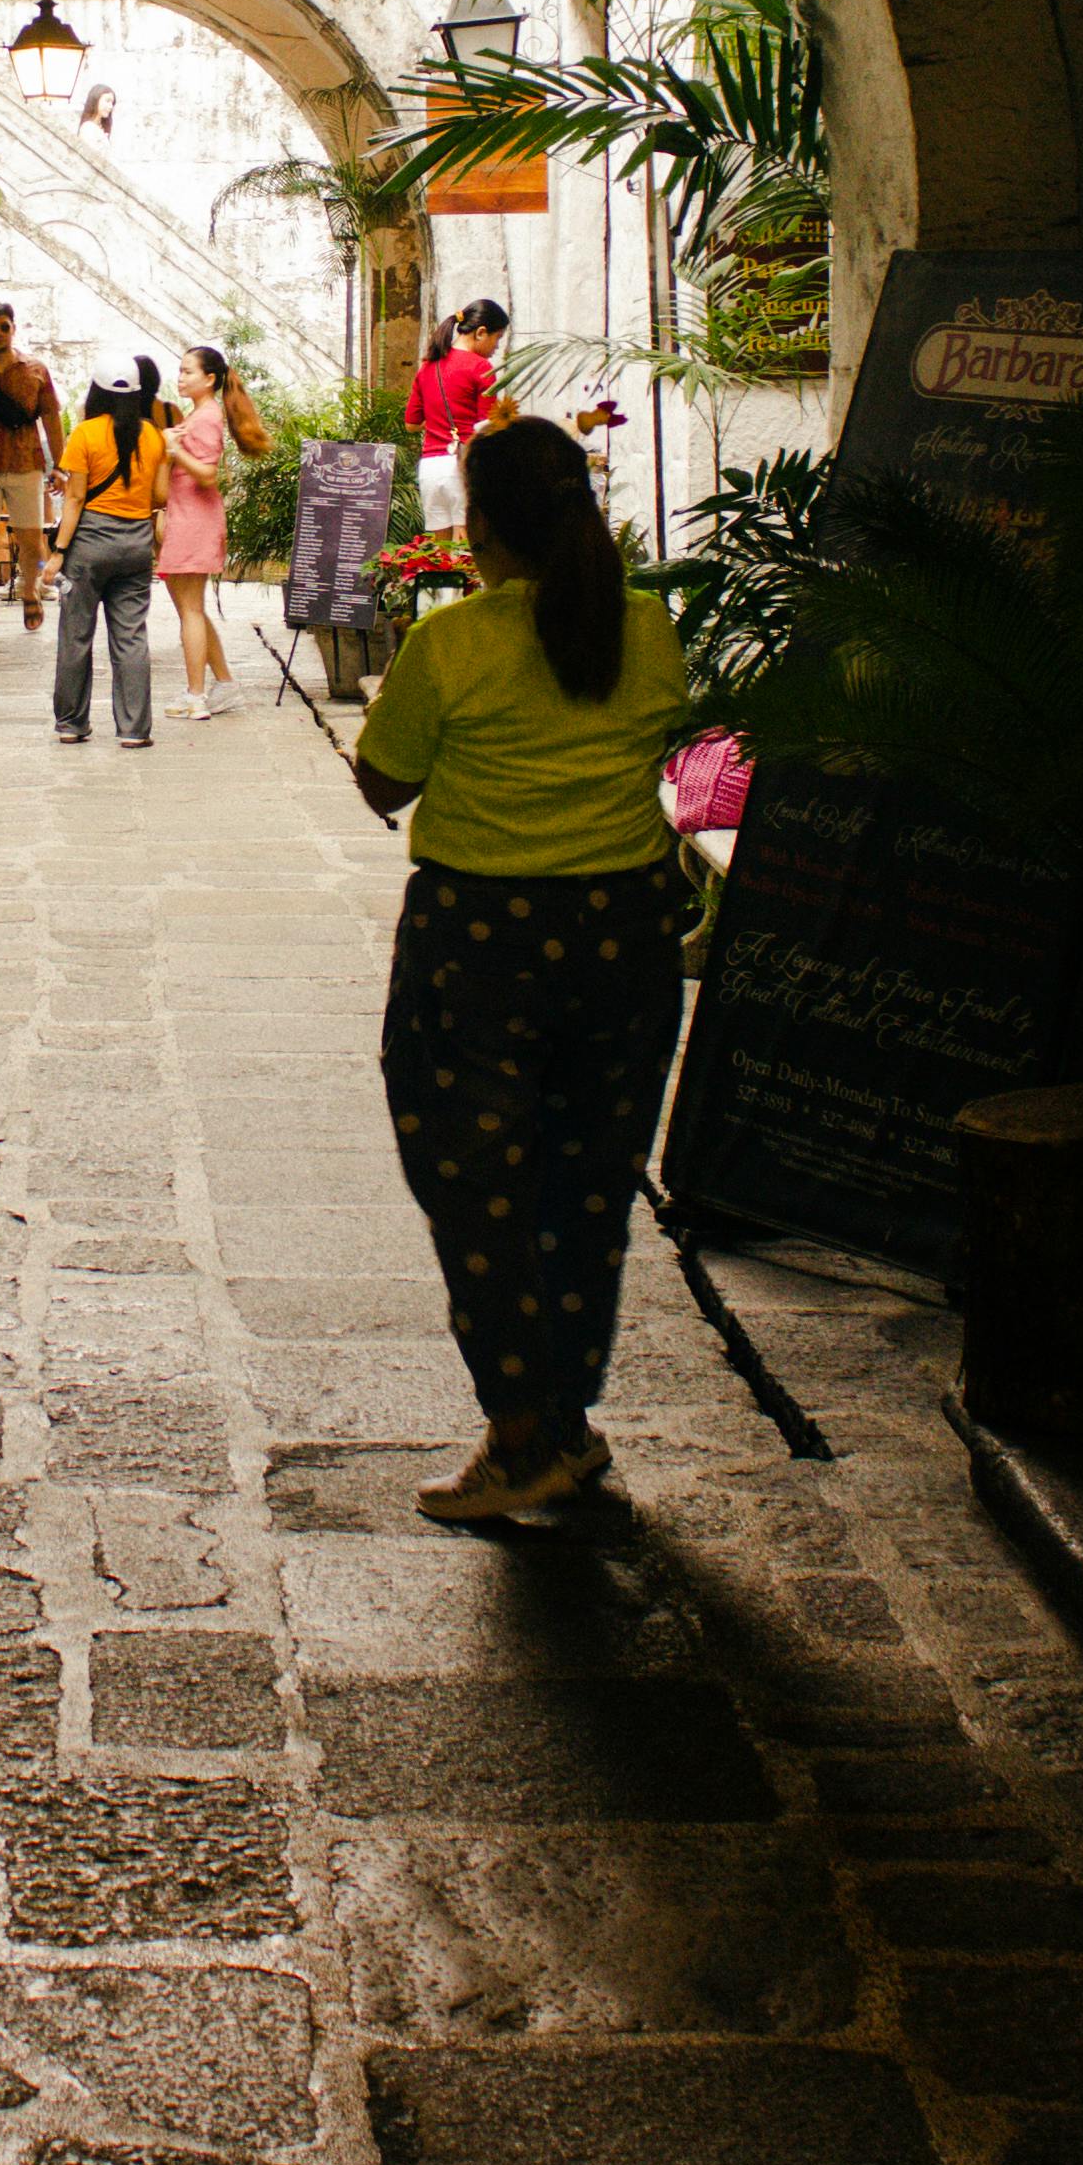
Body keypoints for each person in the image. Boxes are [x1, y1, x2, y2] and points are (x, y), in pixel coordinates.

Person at [350, 412, 691, 1528]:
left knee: (474, 1185)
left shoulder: (452, 643)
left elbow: (385, 782)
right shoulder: (647, 629)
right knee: (590, 1183)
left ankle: (521, 1433)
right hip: (625, 936)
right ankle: (566, 1418)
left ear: (483, 524)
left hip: (482, 941)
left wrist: (392, 717)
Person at [45, 351, 169, 747]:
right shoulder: (152, 435)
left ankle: (71, 724)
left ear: (95, 392)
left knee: (76, 634)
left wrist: (59, 551)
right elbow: (160, 496)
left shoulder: (85, 434)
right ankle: (134, 730)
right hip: (136, 544)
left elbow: (75, 498)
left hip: (89, 544)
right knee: (131, 637)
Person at [156, 342, 259, 719]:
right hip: (188, 517)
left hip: (194, 520)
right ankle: (224, 684)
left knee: (190, 612)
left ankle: (196, 694)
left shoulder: (206, 418)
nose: (180, 378)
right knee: (192, 610)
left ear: (210, 378)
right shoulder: (200, 414)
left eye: (188, 372)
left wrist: (173, 451)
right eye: (180, 371)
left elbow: (207, 473)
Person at [0, 298, 62, 639]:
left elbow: (51, 418)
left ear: (13, 329)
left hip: (25, 462)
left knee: (32, 540)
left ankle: (30, 589)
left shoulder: (35, 370)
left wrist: (60, 465)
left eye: (5, 327)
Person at [403, 299, 511, 537]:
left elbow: (411, 424)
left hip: (430, 469)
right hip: (463, 467)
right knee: (467, 549)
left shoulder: (428, 366)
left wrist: (438, 420)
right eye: (497, 338)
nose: (497, 347)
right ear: (481, 332)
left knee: (441, 552)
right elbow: (486, 427)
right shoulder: (481, 368)